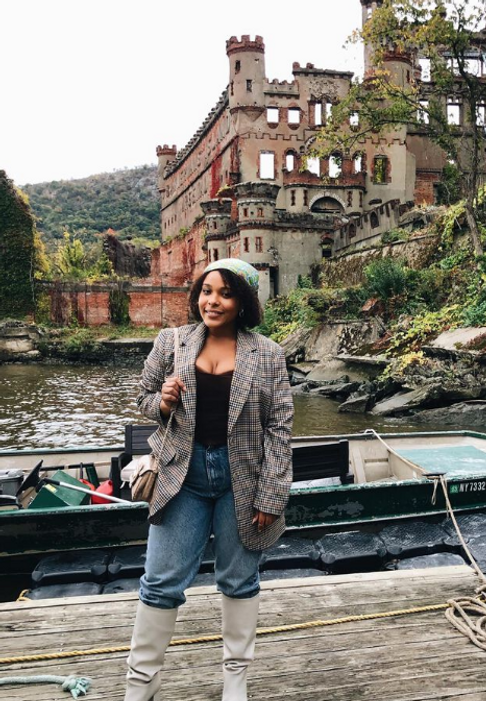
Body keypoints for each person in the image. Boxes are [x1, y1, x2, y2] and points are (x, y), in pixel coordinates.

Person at [125, 258, 293, 701]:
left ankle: (235, 684)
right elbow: (142, 399)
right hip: (184, 476)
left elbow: (279, 428)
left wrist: (271, 496)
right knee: (160, 581)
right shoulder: (172, 342)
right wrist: (162, 403)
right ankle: (140, 687)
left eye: (224, 293)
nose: (211, 301)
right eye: (205, 291)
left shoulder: (268, 353)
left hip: (245, 481)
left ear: (243, 301)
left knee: (239, 581)